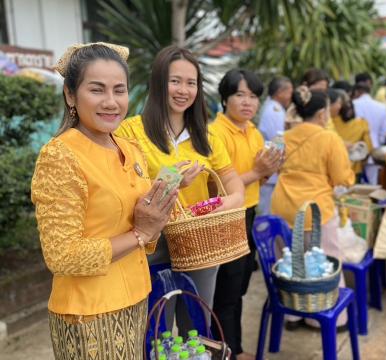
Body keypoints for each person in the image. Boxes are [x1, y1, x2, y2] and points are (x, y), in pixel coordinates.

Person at [31, 43, 177, 359]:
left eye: (119, 90)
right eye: (97, 90)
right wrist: (140, 233)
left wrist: (157, 214)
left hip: (137, 297)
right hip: (89, 313)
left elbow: (142, 228)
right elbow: (62, 255)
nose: (111, 102)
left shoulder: (130, 147)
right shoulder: (61, 156)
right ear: (71, 95)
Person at [115, 45, 245, 332]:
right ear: (159, 82)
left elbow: (232, 180)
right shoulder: (129, 131)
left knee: (196, 329)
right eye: (175, 81)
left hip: (199, 242)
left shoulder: (207, 136)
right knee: (155, 328)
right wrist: (174, 181)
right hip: (150, 243)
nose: (183, 90)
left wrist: (232, 200)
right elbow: (121, 188)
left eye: (191, 83)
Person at [210, 69, 282, 360]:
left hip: (249, 213)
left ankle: (233, 348)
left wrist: (267, 170)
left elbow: (256, 177)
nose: (247, 102)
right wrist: (259, 172)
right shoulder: (215, 133)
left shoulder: (253, 132)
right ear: (225, 99)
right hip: (226, 218)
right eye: (239, 94)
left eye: (253, 96)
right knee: (226, 292)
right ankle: (229, 352)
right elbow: (216, 185)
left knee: (238, 289)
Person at [271, 86, 355, 329]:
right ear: (321, 114)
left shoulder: (282, 137)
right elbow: (341, 177)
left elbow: (275, 168)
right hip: (317, 210)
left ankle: (292, 315)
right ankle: (329, 319)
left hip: (283, 205)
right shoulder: (329, 138)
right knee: (325, 262)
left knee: (289, 261)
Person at [257, 76, 293, 214]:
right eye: (289, 92)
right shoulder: (274, 111)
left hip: (271, 169)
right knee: (266, 212)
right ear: (280, 92)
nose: (290, 96)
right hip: (271, 169)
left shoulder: (273, 107)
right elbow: (278, 140)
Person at [330, 89, 372, 182]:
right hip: (354, 170)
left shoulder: (329, 123)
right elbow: (368, 149)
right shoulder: (362, 124)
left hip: (333, 169)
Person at [352, 81, 386, 184]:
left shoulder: (354, 104)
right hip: (375, 149)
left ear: (356, 92)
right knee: (373, 183)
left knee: (354, 182)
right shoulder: (382, 107)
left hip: (355, 149)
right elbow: (385, 131)